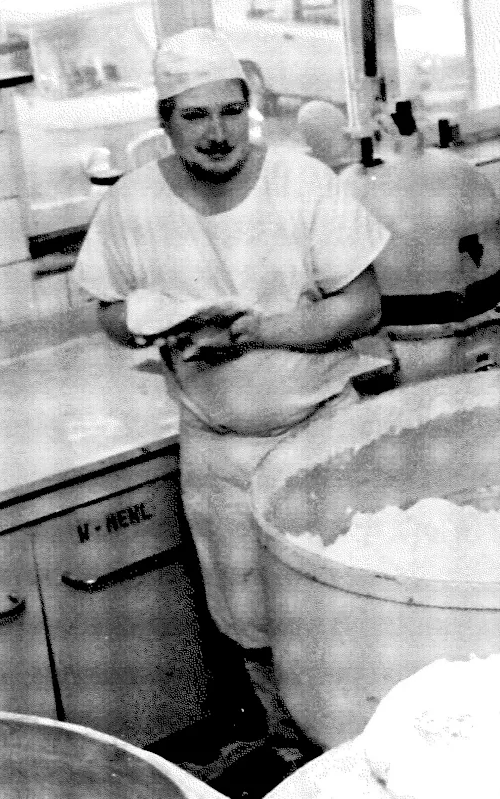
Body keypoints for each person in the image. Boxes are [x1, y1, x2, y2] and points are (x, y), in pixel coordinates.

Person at [72, 26, 389, 760]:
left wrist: (254, 333)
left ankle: (362, 761)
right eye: (195, 116)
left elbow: (363, 307)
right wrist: (160, 321)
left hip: (319, 435)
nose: (216, 134)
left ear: (249, 108)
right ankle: (289, 756)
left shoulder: (303, 184)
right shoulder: (134, 205)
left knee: (339, 615)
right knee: (248, 622)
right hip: (218, 452)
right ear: (164, 122)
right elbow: (111, 313)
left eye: (229, 112)